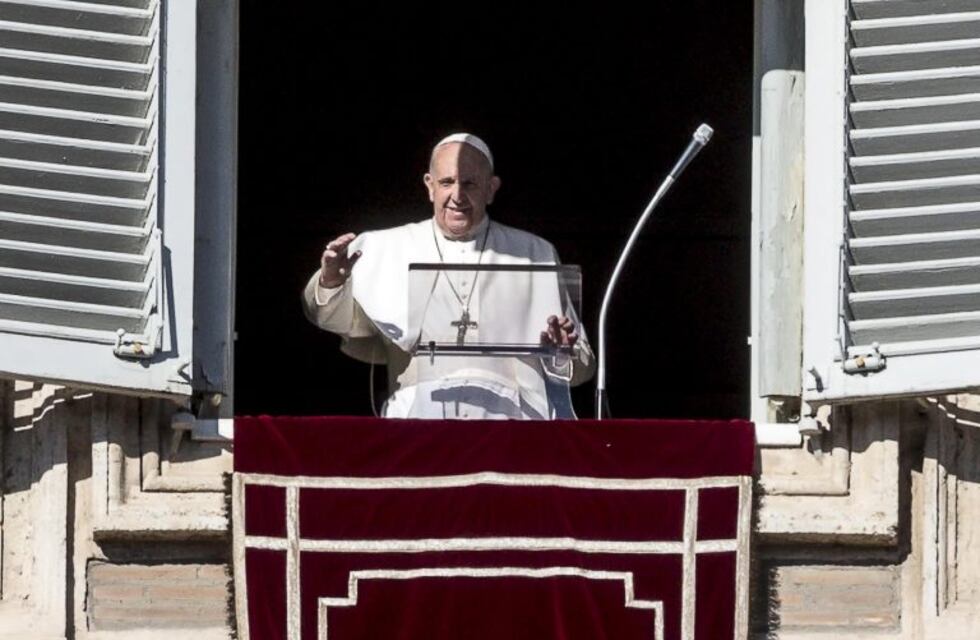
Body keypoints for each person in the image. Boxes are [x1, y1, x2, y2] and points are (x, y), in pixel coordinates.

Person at [302, 133, 594, 419]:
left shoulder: (534, 252)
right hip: (419, 421)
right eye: (446, 182)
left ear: (491, 188)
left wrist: (559, 352)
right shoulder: (385, 247)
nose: (457, 196)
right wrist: (332, 283)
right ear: (429, 186)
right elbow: (337, 322)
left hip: (513, 422)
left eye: (469, 184)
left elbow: (579, 369)